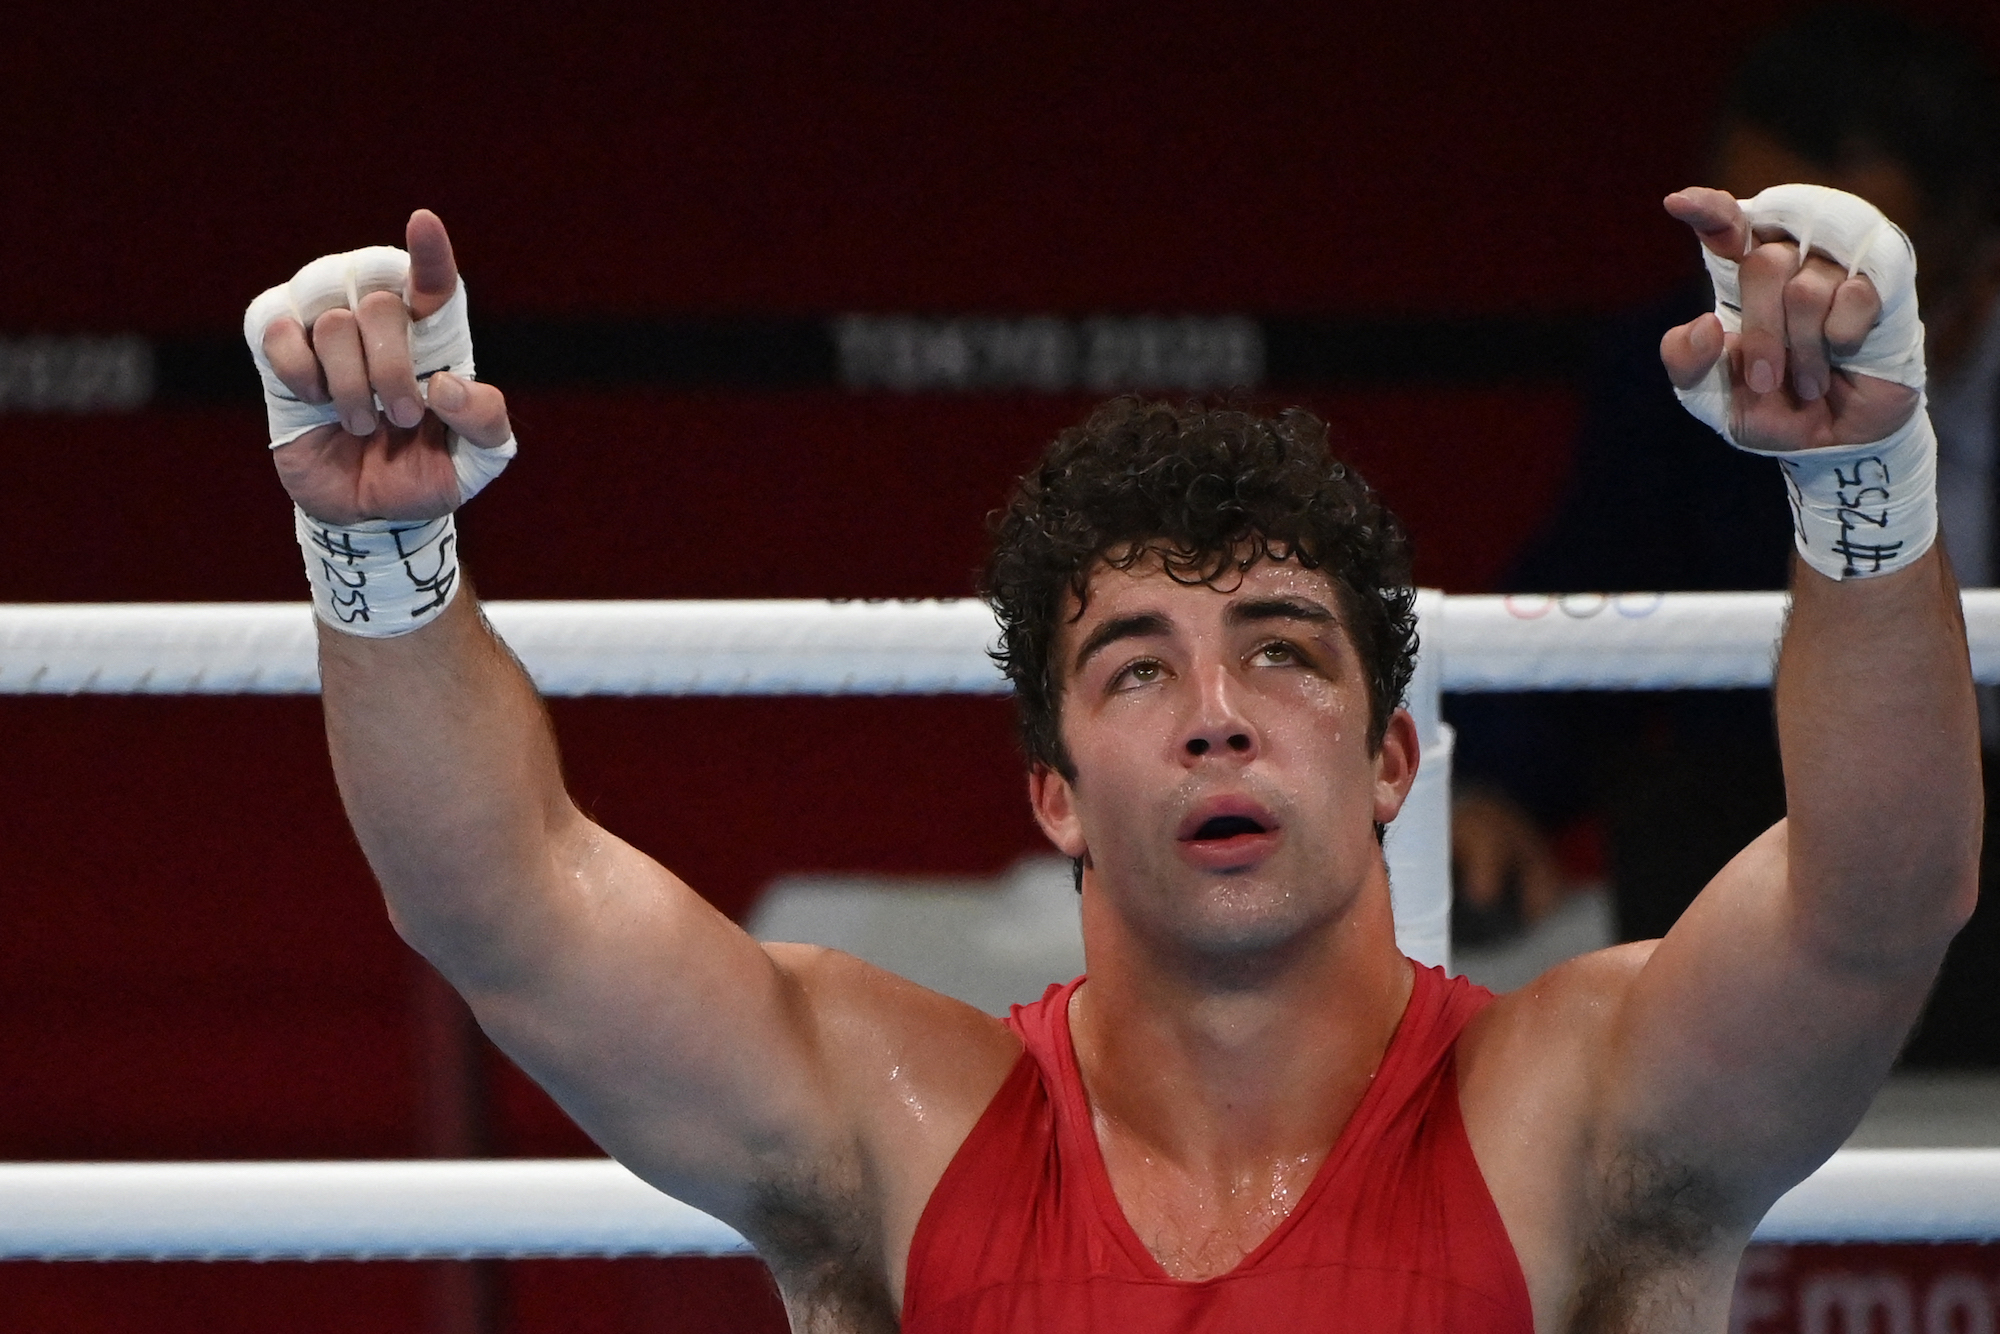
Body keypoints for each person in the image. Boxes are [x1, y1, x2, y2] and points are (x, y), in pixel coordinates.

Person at [245, 176, 1977, 1329]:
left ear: (1392, 760)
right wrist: (383, 559)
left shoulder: (1580, 1109)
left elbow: (1877, 903)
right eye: (1138, 669)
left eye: (1282, 653)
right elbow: (501, 898)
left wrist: (1859, 488)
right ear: (1053, 788)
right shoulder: (890, 1120)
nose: (1219, 709)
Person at [1448, 4, 2000, 1068]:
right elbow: (1581, 599)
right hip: (1791, 895)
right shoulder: (1684, 374)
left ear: (1974, 245)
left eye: (1857, 264)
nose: (1796, 303)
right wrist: (1485, 789)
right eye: (1763, 256)